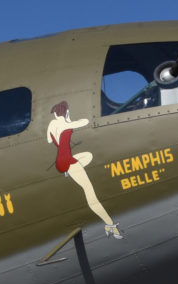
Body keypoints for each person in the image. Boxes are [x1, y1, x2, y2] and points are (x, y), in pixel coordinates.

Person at [46, 101, 123, 239]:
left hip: (60, 161)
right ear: (66, 112)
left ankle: (69, 171)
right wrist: (69, 119)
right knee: (90, 193)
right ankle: (110, 224)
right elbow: (85, 121)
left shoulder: (52, 125)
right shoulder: (66, 124)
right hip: (68, 162)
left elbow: (49, 141)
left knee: (88, 156)